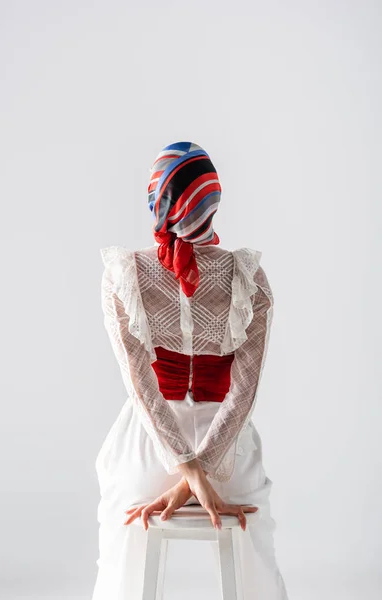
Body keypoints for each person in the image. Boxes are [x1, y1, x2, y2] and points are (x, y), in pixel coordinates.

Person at [92, 141, 289, 599]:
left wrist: (184, 472)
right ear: (213, 201)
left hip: (147, 448)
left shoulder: (123, 274)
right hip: (230, 451)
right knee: (254, 532)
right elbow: (244, 391)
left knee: (122, 522)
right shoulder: (250, 275)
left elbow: (142, 387)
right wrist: (201, 470)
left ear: (155, 200)